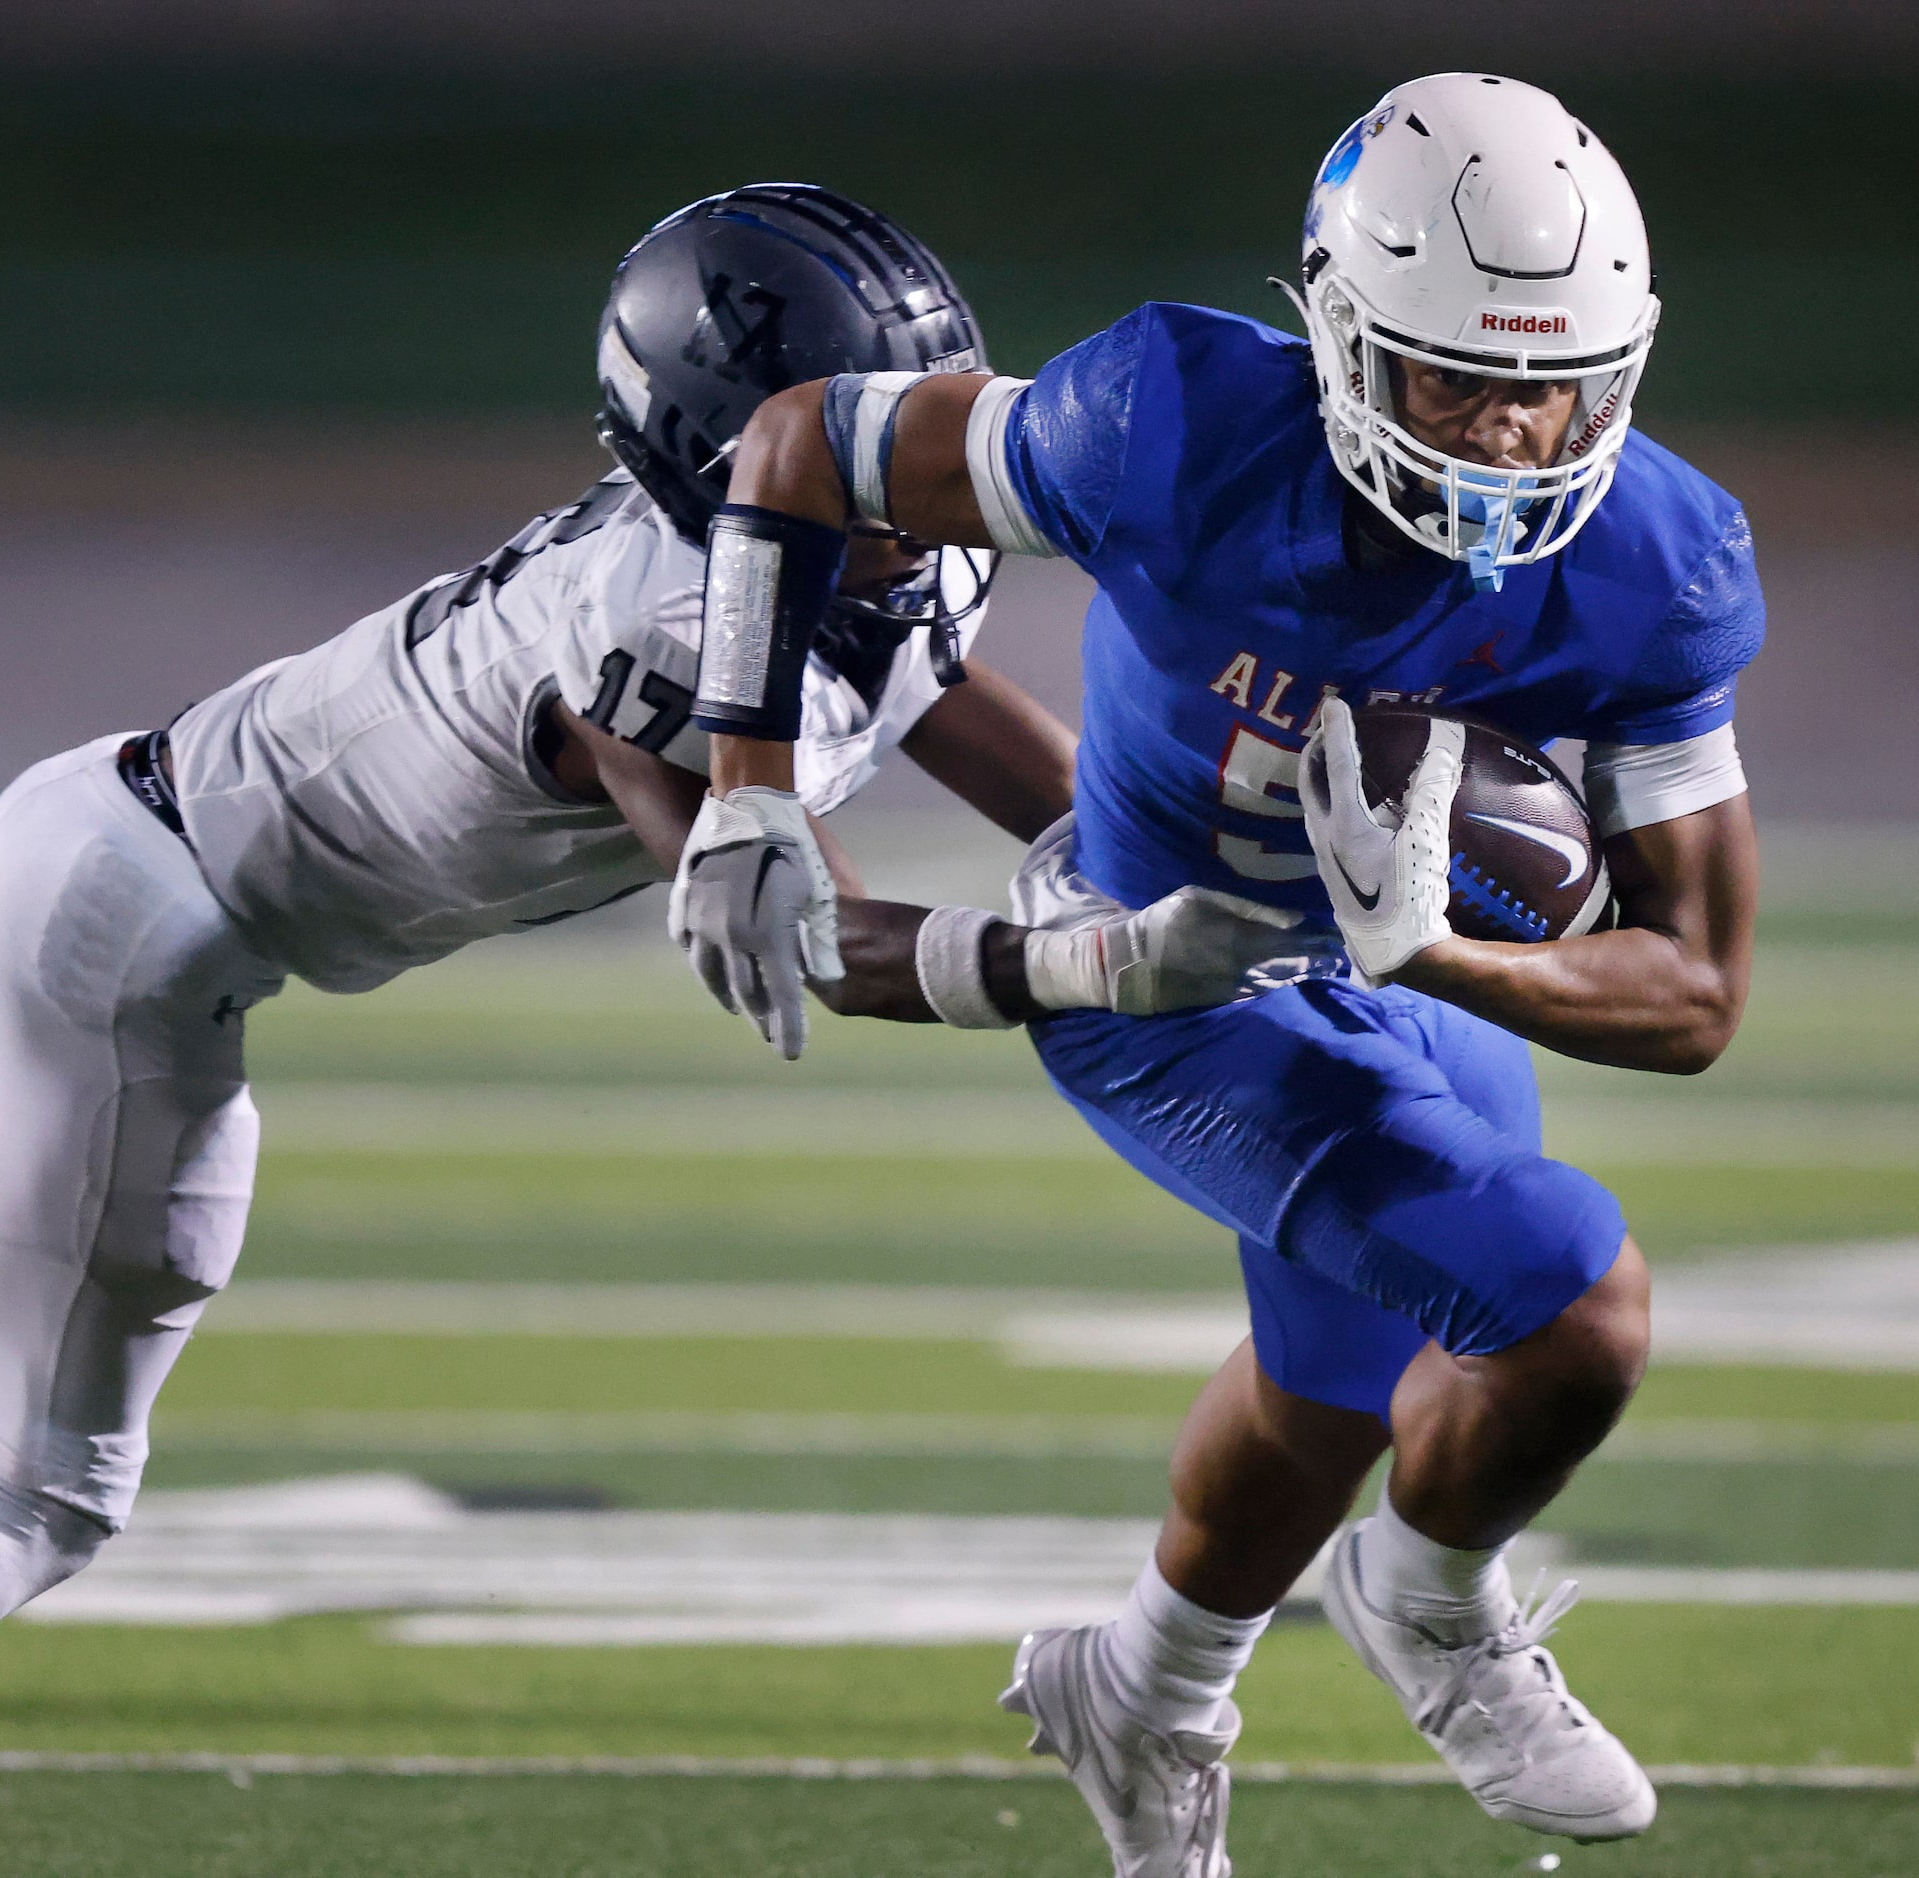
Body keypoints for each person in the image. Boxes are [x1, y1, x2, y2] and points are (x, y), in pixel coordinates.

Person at [0, 184, 1294, 1878]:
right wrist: (1098, 962)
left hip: (126, 856)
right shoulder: (654, 637)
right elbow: (796, 932)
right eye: (869, 440)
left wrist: (1149, 863)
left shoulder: (878, 542)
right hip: (142, 920)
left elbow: (960, 706)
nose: (922, 474)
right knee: (28, 1490)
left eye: (930, 415)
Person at [676, 75, 1764, 1871]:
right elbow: (798, 441)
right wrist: (743, 786)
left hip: (1398, 980)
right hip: (1159, 981)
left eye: (1547, 387)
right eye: (1454, 382)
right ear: (1342, 335)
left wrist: (1435, 956)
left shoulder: (1660, 562)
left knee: (1327, 1391)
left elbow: (1699, 997)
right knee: (1574, 1302)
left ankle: (1145, 1690)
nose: (1506, 439)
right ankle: (1431, 1600)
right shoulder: (1169, 422)